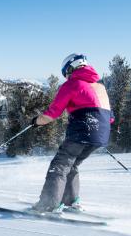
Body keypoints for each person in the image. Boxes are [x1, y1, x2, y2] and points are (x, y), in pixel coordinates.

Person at [29, 53, 113, 213]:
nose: (67, 76)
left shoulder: (72, 84)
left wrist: (36, 122)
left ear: (71, 67)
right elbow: (110, 118)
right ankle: (71, 201)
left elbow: (52, 113)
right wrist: (97, 133)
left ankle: (48, 204)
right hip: (101, 135)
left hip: (83, 130)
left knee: (59, 166)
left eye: (66, 72)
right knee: (72, 165)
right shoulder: (101, 87)